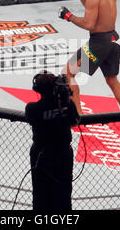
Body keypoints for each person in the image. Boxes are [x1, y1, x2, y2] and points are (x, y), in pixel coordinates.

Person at [58, 0, 120, 124]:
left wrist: (68, 16)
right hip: (113, 38)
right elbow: (93, 8)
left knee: (67, 74)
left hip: (99, 42)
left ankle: (78, 117)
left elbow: (89, 23)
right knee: (112, 80)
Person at [25, 71, 80, 210]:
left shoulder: (33, 108)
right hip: (63, 154)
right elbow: (75, 121)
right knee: (64, 193)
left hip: (41, 155)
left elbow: (33, 117)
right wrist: (65, 101)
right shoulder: (67, 105)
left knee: (40, 194)